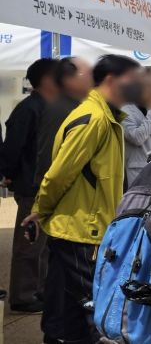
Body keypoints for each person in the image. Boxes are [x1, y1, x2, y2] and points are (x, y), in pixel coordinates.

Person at [24, 54, 142, 344]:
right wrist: (40, 210)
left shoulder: (104, 116)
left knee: (64, 311)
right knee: (98, 311)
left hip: (81, 230)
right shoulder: (94, 119)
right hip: (82, 233)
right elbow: (58, 175)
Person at [0, 58, 58, 313]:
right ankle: (23, 296)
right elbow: (13, 147)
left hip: (44, 185)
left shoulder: (47, 106)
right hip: (31, 185)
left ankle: (39, 289)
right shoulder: (29, 108)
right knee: (29, 242)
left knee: (43, 244)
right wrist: (8, 174)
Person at [35, 57, 94, 188]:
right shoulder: (61, 109)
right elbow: (49, 154)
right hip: (64, 191)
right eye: (87, 74)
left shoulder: (79, 105)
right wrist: (47, 192)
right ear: (69, 79)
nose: (92, 79)